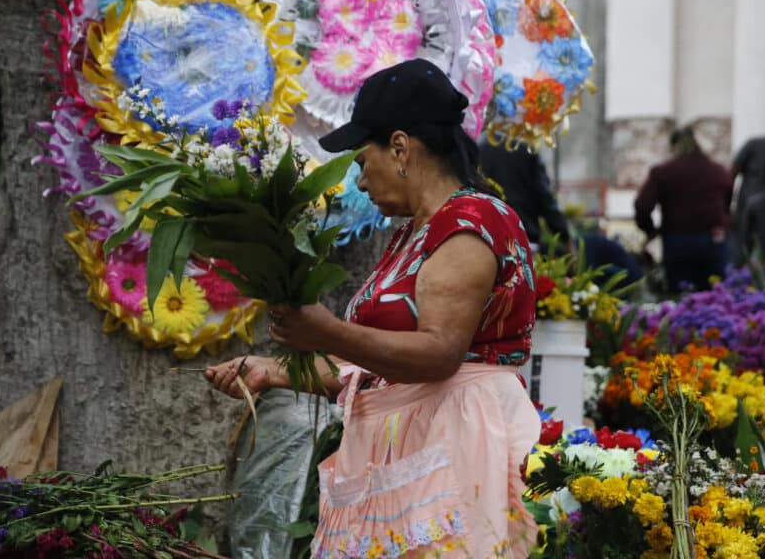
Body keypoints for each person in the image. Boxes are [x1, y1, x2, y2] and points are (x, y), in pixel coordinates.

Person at [205, 59, 541, 557]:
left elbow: (439, 354)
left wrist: (325, 331)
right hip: (406, 445)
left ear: (400, 147)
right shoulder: (415, 232)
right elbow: (376, 369)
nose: (360, 182)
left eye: (363, 162)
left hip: (454, 443)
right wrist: (272, 371)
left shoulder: (470, 222)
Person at [633, 126, 733, 293]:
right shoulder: (719, 171)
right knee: (715, 296)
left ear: (674, 147)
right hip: (713, 239)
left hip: (677, 241)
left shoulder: (663, 172)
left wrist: (650, 231)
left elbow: (642, 206)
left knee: (679, 297)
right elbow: (727, 205)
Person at [478, 141, 570, 249]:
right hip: (525, 237)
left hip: (488, 239)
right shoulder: (527, 148)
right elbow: (545, 198)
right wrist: (564, 236)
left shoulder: (480, 146)